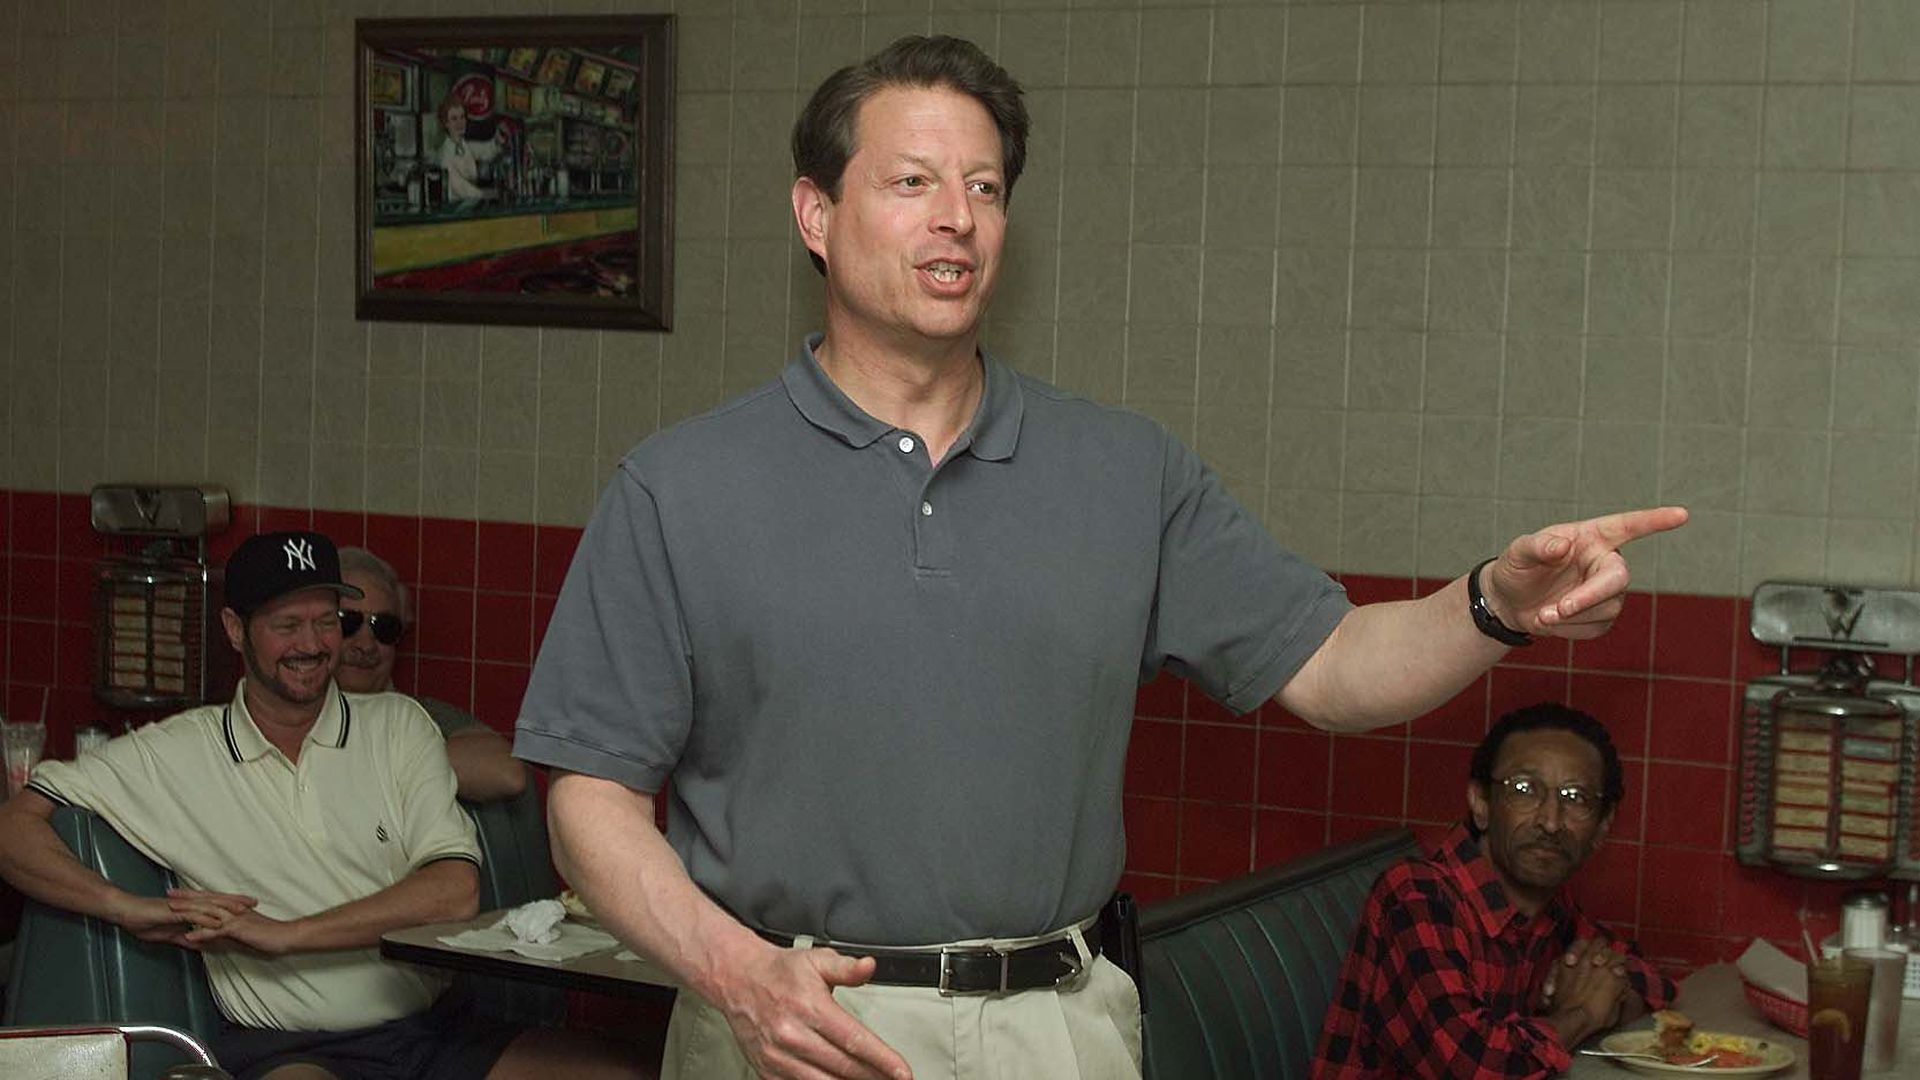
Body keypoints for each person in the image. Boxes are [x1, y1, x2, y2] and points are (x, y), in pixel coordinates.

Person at [512, 35, 1689, 1080]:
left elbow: (1333, 667)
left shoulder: (1124, 470)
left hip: (1056, 1029)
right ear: (816, 216)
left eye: (983, 187)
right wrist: (734, 974)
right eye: (912, 183)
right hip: (791, 1029)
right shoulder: (684, 485)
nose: (956, 217)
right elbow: (591, 797)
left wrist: (1490, 603)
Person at [0, 531, 648, 1080]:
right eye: (286, 625)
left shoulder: (400, 726)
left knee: (639, 1070)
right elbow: (14, 827)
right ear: (235, 630)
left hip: (436, 1030)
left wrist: (287, 937)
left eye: (325, 621)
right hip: (291, 1046)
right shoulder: (175, 751)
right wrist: (127, 908)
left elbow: (453, 891)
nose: (311, 644)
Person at [1312, 705, 1679, 1078]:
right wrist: (1581, 1014)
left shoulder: (1549, 908)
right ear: (1481, 803)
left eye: (1575, 798)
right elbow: (1472, 1066)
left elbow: (1656, 988)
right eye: (1524, 790)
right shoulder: (1419, 896)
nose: (1551, 821)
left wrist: (1608, 990)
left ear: (1602, 826)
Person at [335, 546, 527, 803]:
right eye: (348, 622)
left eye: (384, 628)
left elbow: (507, 773)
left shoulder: (422, 714)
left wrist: (364, 761)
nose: (366, 645)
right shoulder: (286, 715)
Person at [437, 97, 505, 204]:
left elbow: (485, 151)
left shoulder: (464, 146)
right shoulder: (445, 153)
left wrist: (497, 139)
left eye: (462, 117)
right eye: (454, 119)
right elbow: (459, 187)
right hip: (454, 209)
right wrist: (485, 194)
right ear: (446, 123)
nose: (460, 123)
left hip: (469, 204)